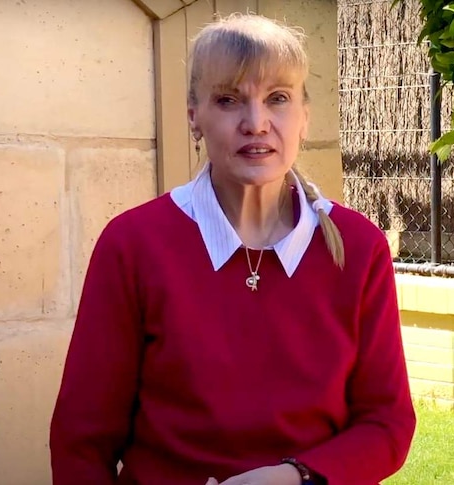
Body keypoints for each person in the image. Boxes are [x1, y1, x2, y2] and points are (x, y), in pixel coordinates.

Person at [49, 13, 416, 485]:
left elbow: (387, 424)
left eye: (277, 99)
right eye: (228, 100)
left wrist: (294, 477)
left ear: (304, 117)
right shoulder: (133, 245)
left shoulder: (360, 248)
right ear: (193, 116)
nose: (256, 123)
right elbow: (82, 441)